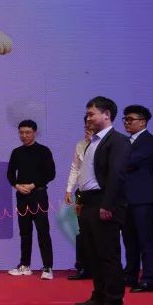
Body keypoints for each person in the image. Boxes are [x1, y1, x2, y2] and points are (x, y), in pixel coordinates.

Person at [72, 96, 130, 305]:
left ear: (106, 114)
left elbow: (117, 175)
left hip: (104, 202)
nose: (88, 118)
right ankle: (99, 296)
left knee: (108, 254)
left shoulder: (118, 141)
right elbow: (86, 175)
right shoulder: (92, 142)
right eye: (87, 114)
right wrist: (80, 200)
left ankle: (114, 302)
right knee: (93, 253)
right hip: (89, 202)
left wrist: (108, 204)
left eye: (91, 114)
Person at [6, 120, 56, 279]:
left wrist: (33, 185)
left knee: (43, 231)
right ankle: (24, 265)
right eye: (21, 132)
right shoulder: (16, 152)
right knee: (24, 232)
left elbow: (51, 174)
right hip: (22, 196)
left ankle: (47, 267)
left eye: (27, 132)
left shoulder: (44, 151)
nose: (24, 135)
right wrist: (16, 186)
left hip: (38, 195)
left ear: (34, 133)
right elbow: (10, 174)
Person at [121, 105, 153, 293]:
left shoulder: (149, 141)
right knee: (129, 240)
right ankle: (130, 274)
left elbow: (130, 162)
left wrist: (116, 162)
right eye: (125, 119)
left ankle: (148, 278)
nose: (127, 123)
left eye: (131, 119)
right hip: (125, 197)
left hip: (143, 196)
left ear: (142, 122)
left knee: (146, 239)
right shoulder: (125, 141)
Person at [64, 118, 94, 281]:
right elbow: (75, 168)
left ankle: (102, 268)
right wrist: (69, 190)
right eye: (86, 127)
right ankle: (83, 267)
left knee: (100, 231)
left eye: (91, 127)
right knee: (83, 230)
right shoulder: (80, 145)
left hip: (100, 193)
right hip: (82, 192)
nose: (88, 129)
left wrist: (93, 143)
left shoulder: (106, 145)